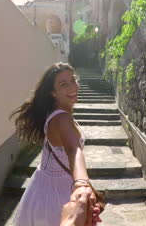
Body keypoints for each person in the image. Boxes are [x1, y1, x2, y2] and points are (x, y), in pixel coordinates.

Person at [11, 63, 101, 226]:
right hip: (54, 196)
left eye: (73, 80)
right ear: (53, 93)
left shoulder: (57, 114)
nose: (73, 86)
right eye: (63, 84)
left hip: (44, 186)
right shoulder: (61, 118)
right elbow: (73, 149)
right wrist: (82, 183)